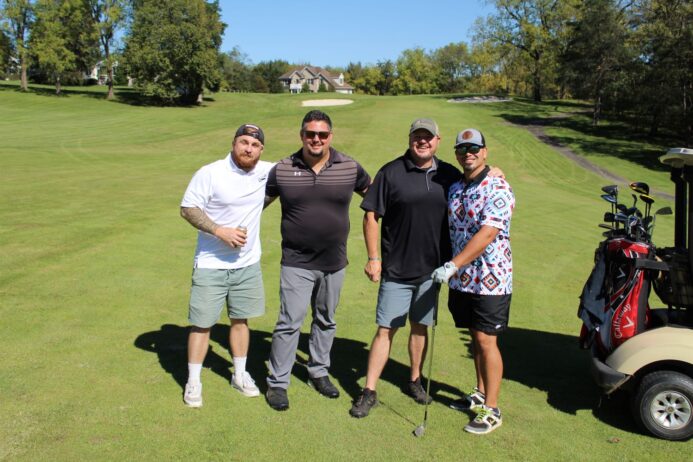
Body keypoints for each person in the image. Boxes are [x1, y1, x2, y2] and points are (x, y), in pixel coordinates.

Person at [349, 118, 463, 418]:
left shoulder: (449, 174)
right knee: (386, 329)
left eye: (428, 137)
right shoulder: (391, 172)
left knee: (420, 326)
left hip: (433, 271)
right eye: (417, 136)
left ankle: (414, 380)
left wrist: (498, 171)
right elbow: (371, 215)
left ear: (438, 140)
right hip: (397, 268)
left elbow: (479, 180)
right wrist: (374, 258)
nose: (422, 141)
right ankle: (369, 390)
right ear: (410, 139)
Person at [264, 110, 371, 411]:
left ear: (330, 137)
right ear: (302, 135)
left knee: (326, 319)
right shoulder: (283, 168)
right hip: (296, 261)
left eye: (322, 134)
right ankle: (277, 383)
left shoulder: (349, 166)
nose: (316, 139)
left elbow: (377, 196)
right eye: (310, 133)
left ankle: (318, 371)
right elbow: (254, 202)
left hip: (334, 262)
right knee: (289, 322)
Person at [179, 124, 273, 407]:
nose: (248, 148)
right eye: (243, 142)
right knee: (202, 324)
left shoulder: (267, 171)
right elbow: (188, 208)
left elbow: (298, 168)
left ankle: (240, 374)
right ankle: (193, 381)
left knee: (241, 320)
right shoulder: (210, 172)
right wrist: (220, 231)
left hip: (247, 263)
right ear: (233, 143)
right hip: (211, 263)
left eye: (254, 145)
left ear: (261, 149)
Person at [431, 128, 514, 435]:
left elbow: (488, 232)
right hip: (463, 280)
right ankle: (479, 394)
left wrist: (453, 264)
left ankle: (492, 410)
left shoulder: (498, 187)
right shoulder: (455, 187)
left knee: (486, 341)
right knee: (475, 337)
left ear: (485, 151)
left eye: (475, 148)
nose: (469, 153)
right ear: (456, 153)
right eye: (463, 148)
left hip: (491, 279)